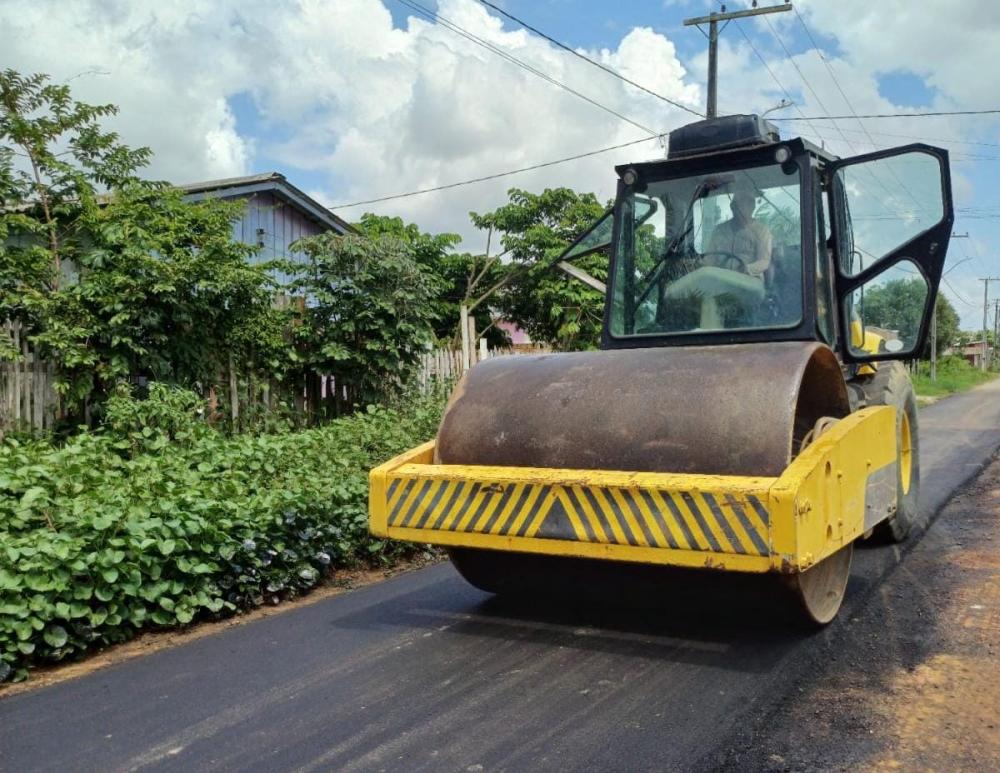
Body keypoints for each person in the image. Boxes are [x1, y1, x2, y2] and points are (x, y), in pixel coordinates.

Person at [705, 187, 773, 278]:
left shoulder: (762, 231)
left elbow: (764, 261)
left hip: (750, 281)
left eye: (747, 204)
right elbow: (709, 260)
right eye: (737, 205)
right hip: (722, 280)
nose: (741, 208)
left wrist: (746, 269)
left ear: (753, 206)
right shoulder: (719, 230)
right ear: (732, 207)